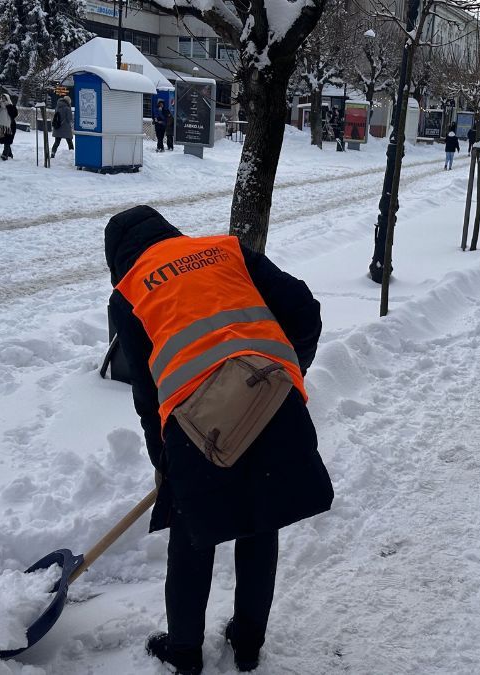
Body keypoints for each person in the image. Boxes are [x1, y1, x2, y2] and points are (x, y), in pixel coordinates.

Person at [105, 206, 333, 675]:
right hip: (271, 402)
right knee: (261, 516)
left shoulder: (129, 292)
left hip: (196, 429)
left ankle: (185, 654)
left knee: (192, 535)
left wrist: (164, 461)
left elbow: (148, 395)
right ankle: (248, 644)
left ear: (119, 258)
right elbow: (304, 311)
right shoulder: (225, 251)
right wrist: (282, 378)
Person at [0, 93, 17, 161]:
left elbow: (14, 114)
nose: (3, 99)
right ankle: (9, 153)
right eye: (2, 98)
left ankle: (5, 154)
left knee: (8, 140)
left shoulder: (11, 106)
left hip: (10, 126)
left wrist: (8, 106)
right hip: (0, 125)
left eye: (5, 98)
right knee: (3, 140)